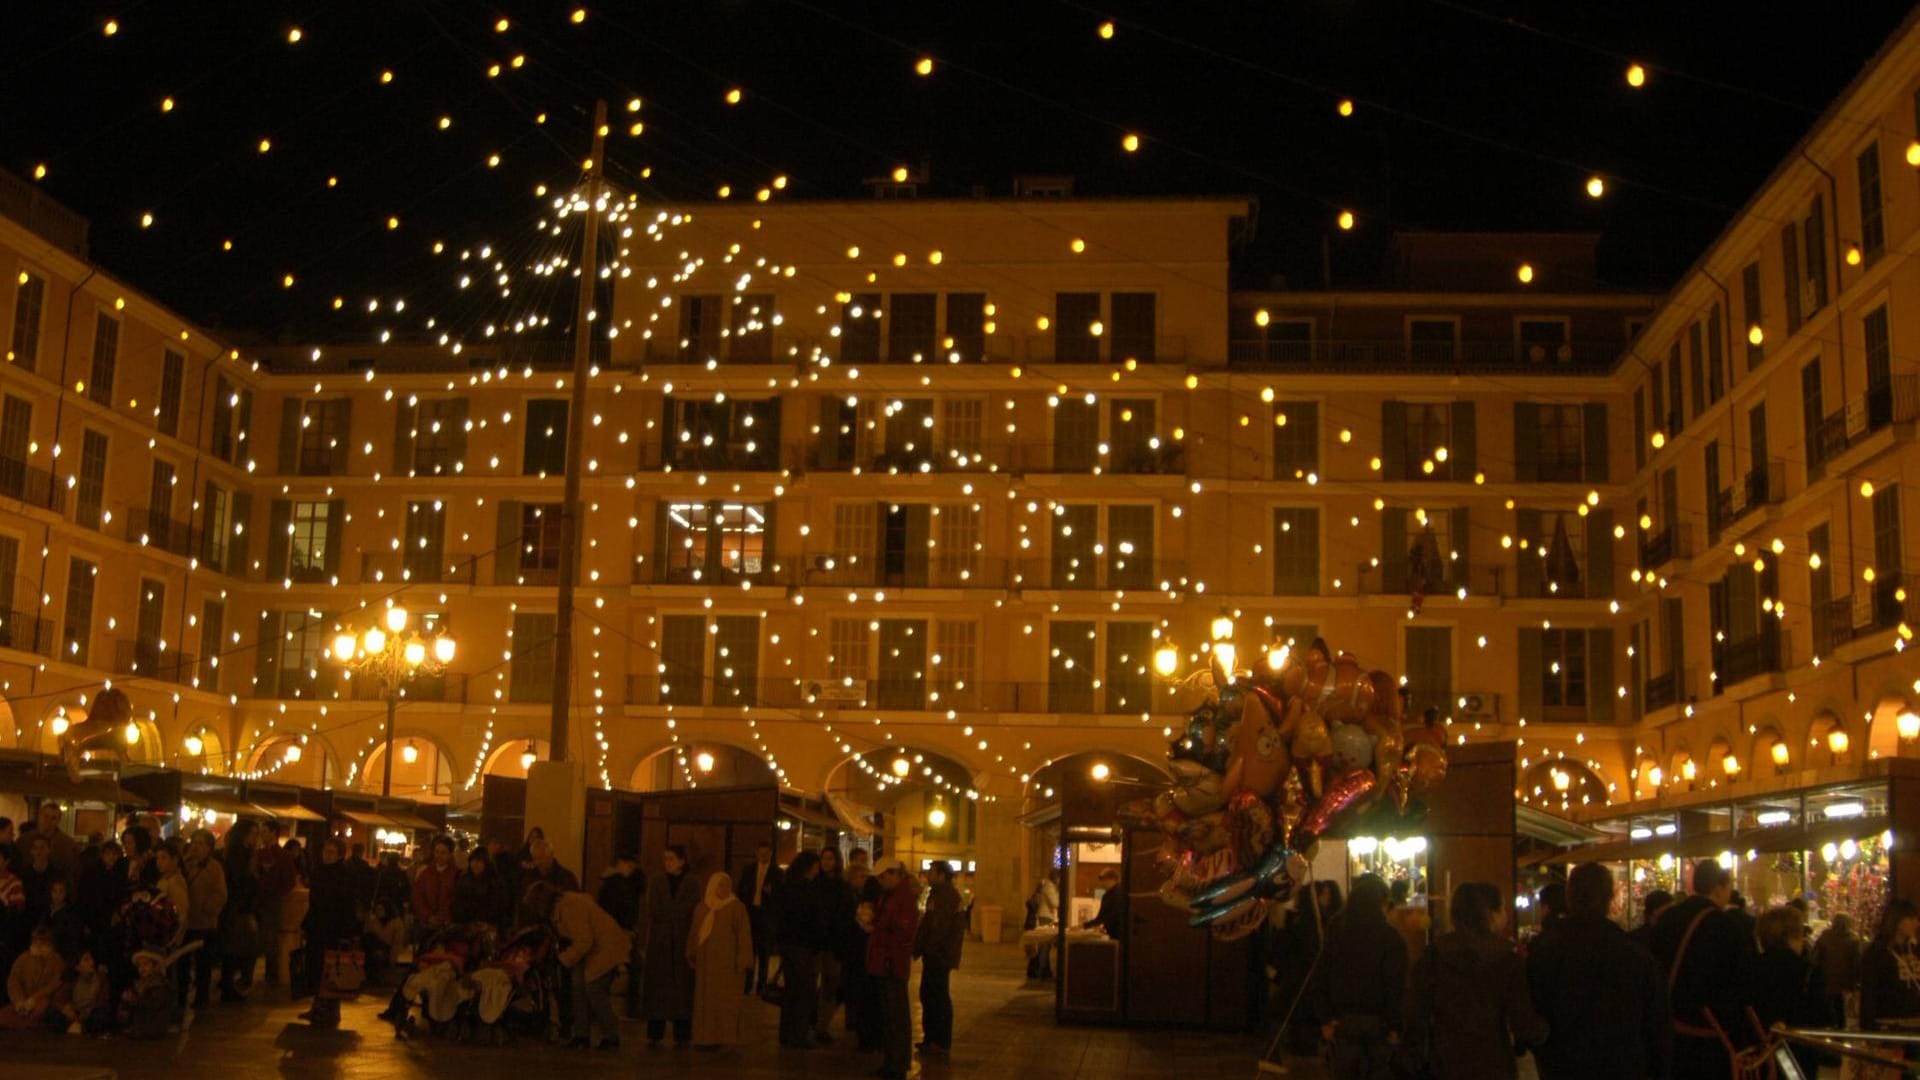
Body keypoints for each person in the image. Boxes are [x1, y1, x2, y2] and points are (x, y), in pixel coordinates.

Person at [1527, 862, 1671, 1080]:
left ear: (1569, 897)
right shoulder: (1633, 952)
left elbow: (1534, 1014)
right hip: (1622, 1064)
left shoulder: (1543, 950)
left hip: (1563, 1064)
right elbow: (1656, 1022)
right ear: (1610, 897)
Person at [1407, 881, 1545, 1080]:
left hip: (1444, 1062)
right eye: (1503, 908)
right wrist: (1545, 1031)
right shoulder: (1507, 959)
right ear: (1492, 914)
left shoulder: (1434, 955)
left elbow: (1416, 1014)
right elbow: (1523, 1022)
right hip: (1493, 1063)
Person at [1649, 858, 1754, 1076]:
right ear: (1719, 887)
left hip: (1670, 1032)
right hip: (1709, 1036)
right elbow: (1739, 982)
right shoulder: (1725, 926)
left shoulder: (1668, 918)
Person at [1308, 874, 1407, 1080]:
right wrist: (1395, 1024)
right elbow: (1395, 984)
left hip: (1343, 1020)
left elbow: (1320, 977)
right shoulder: (1390, 938)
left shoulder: (1337, 933)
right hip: (1378, 1021)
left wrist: (1325, 1018)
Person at [528, 880, 629, 1050]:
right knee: (579, 989)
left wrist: (562, 960)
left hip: (603, 949)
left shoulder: (568, 908)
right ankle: (581, 1035)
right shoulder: (564, 904)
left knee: (594, 991)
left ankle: (611, 1037)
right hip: (594, 948)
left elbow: (584, 941)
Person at [639, 843, 698, 1046]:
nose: (668, 863)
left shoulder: (691, 882)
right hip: (661, 939)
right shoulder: (657, 881)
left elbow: (692, 907)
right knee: (659, 986)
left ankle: (682, 1033)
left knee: (682, 988)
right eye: (665, 859)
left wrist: (674, 916)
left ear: (682, 860)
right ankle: (656, 1032)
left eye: (671, 858)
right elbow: (653, 907)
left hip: (682, 938)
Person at [686, 870, 753, 1050]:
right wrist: (691, 953)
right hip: (706, 963)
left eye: (727, 885)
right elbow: (695, 932)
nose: (724, 888)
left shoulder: (736, 907)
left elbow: (744, 935)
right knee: (705, 1002)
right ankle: (705, 1037)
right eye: (720, 884)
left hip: (727, 964)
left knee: (726, 1002)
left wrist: (743, 959)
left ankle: (725, 1037)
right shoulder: (702, 907)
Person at [867, 862, 921, 1080]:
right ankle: (891, 1062)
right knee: (889, 1016)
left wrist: (877, 928)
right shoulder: (889, 895)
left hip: (892, 963)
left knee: (896, 1016)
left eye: (883, 877)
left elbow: (902, 932)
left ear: (894, 875)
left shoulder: (903, 898)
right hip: (884, 961)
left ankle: (898, 1064)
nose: (881, 882)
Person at [298, 838, 360, 1027]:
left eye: (332, 852)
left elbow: (347, 905)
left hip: (334, 928)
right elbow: (314, 902)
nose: (327, 855)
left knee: (332, 969)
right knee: (317, 967)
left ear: (339, 854)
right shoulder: (319, 872)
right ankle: (318, 1005)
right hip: (318, 927)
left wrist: (346, 932)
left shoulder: (343, 875)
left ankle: (331, 1008)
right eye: (326, 851)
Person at [913, 859, 966, 1058]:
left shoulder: (945, 895)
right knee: (930, 994)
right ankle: (932, 1039)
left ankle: (940, 1041)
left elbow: (938, 927)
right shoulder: (939, 893)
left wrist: (928, 948)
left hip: (939, 955)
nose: (928, 875)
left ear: (942, 875)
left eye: (931, 872)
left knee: (936, 996)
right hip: (937, 953)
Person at [773, 850, 824, 1049]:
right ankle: (799, 1035)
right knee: (805, 990)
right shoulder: (807, 889)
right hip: (803, 945)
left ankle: (786, 1034)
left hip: (787, 943)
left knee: (791, 990)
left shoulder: (785, 886)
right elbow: (813, 918)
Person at [1751, 906, 1828, 1034]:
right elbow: (1822, 1019)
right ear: (1792, 936)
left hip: (1762, 1046)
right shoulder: (1808, 971)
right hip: (1800, 1045)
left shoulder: (1751, 967)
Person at [180, 829, 228, 1011]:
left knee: (203, 962)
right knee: (183, 962)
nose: (197, 847)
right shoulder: (186, 864)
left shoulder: (214, 867)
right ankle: (182, 996)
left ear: (209, 848)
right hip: (186, 921)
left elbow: (220, 894)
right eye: (195, 842)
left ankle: (201, 997)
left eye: (201, 844)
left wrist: (208, 909)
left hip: (205, 923)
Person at [596, 850, 646, 1017]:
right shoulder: (614, 885)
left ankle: (629, 1008)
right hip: (617, 931)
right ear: (620, 863)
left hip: (624, 930)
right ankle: (624, 1008)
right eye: (628, 866)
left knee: (629, 968)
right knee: (617, 969)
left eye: (633, 867)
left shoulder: (626, 882)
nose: (630, 870)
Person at [812, 846, 854, 1043]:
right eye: (824, 858)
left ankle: (821, 1026)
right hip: (817, 944)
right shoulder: (815, 884)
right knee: (815, 985)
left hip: (833, 945)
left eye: (830, 859)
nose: (826, 862)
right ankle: (814, 1023)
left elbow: (845, 915)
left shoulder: (841, 886)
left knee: (830, 986)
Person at [1860, 898, 1920, 1031]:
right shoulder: (1877, 954)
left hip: (1915, 1024)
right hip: (1889, 1025)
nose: (1917, 923)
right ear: (1897, 921)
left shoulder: (1915, 951)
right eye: (1911, 919)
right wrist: (1870, 1028)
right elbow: (1869, 994)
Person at [217, 821, 261, 1002]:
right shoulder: (239, 855)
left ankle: (229, 984)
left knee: (235, 949)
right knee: (238, 949)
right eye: (253, 833)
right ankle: (230, 986)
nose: (255, 837)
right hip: (238, 909)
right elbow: (241, 883)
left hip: (236, 908)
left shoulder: (235, 853)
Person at [841, 857, 880, 1049]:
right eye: (861, 876)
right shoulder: (851, 897)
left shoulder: (859, 897)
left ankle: (858, 1026)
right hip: (856, 952)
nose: (864, 879)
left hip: (858, 952)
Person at [737, 841, 782, 994]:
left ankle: (761, 985)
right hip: (751, 913)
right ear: (756, 854)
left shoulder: (777, 872)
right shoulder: (749, 870)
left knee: (764, 952)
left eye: (766, 853)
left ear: (770, 854)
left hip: (766, 915)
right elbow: (741, 890)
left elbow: (782, 896)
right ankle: (747, 984)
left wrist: (772, 892)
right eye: (761, 853)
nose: (763, 856)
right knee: (750, 951)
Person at [255, 823, 297, 987]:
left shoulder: (282, 856)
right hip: (261, 900)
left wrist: (277, 892)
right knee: (265, 935)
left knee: (270, 936)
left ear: (273, 833)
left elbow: (290, 881)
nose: (262, 835)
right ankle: (268, 973)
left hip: (272, 901)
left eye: (265, 831)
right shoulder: (259, 854)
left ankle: (271, 973)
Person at [1, 925, 63, 1028]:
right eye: (36, 940)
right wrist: (19, 1001)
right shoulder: (23, 958)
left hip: (44, 1001)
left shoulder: (57, 961)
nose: (38, 943)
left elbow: (54, 984)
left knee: (39, 1013)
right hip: (23, 1001)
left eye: (42, 941)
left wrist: (34, 999)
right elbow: (13, 982)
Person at [1813, 911, 1863, 1024]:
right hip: (1844, 982)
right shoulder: (1853, 939)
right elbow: (1856, 963)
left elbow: (1816, 957)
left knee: (1827, 1008)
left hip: (1826, 979)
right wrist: (1856, 983)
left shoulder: (1825, 936)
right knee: (1841, 1010)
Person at [411, 836, 459, 940]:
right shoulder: (426, 873)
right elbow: (418, 897)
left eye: (443, 852)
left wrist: (443, 917)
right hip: (426, 925)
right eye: (437, 852)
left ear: (450, 854)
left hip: (447, 926)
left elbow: (455, 899)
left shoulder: (456, 875)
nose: (439, 856)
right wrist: (428, 916)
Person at [451, 848, 509, 930]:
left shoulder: (494, 882)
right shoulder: (464, 880)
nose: (475, 864)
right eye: (473, 861)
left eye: (479, 861)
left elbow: (497, 907)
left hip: (488, 925)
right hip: (466, 925)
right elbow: (458, 903)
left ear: (486, 863)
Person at [24, 803, 78, 879]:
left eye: (53, 818)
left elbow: (72, 870)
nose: (48, 821)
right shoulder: (25, 839)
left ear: (58, 821)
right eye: (46, 816)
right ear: (39, 817)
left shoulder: (67, 844)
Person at [1024, 870, 1061, 978]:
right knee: (1044, 946)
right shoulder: (1049, 887)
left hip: (1046, 917)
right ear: (1056, 878)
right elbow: (1056, 903)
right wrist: (1059, 893)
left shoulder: (1047, 886)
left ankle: (1043, 970)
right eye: (1059, 878)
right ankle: (1041, 971)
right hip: (1045, 918)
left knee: (1045, 946)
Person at [1082, 866, 1125, 938]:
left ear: (1111, 879)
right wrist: (1084, 926)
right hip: (1113, 934)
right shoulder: (1107, 895)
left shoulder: (1119, 893)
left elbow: (1112, 916)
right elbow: (1101, 918)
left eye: (1102, 879)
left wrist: (1085, 926)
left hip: (1119, 935)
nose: (1100, 882)